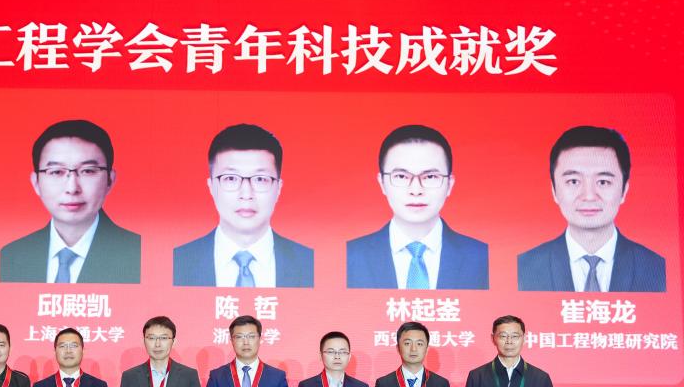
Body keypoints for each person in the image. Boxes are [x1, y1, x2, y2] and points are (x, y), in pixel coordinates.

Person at [518, 125, 665, 292]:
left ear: (624, 190)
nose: (588, 196)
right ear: (554, 190)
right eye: (573, 181)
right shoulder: (524, 269)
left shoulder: (657, 270)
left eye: (603, 182)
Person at [346, 124, 488, 290]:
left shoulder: (482, 257)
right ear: (382, 183)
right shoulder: (350, 256)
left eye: (430, 176)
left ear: (449, 184)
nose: (416, 190)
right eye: (401, 176)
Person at [0, 120, 140, 283]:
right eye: (56, 172)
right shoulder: (11, 256)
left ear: (110, 180)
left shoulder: (139, 254)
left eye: (87, 171)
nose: (72, 188)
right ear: (36, 182)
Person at [173, 124, 314, 288]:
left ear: (278, 188)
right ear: (211, 186)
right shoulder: (179, 261)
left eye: (260, 179)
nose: (246, 194)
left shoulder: (309, 263)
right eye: (231, 178)